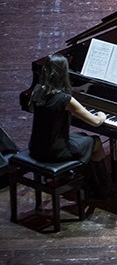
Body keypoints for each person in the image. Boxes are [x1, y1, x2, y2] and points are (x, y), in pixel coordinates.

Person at [28, 55, 111, 197]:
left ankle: (85, 181)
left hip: (36, 147)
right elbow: (96, 122)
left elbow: (32, 109)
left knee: (82, 136)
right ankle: (103, 189)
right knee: (96, 142)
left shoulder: (37, 90)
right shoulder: (66, 100)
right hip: (55, 152)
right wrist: (101, 115)